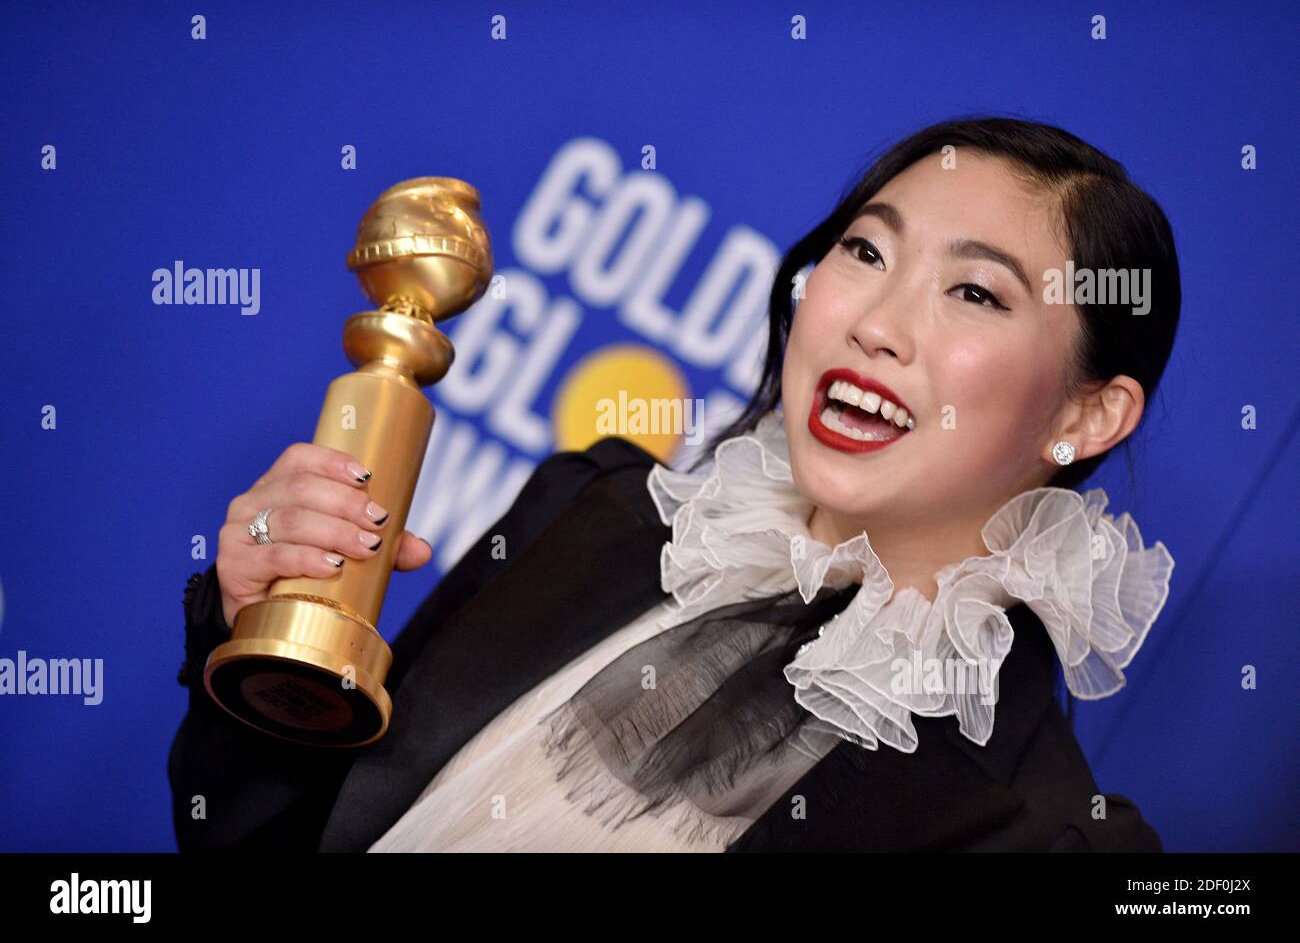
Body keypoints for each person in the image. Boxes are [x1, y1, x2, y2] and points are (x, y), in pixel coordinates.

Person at [169, 115, 1179, 852]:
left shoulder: (1036, 836)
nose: (877, 321)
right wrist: (256, 638)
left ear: (1085, 415)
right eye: (865, 250)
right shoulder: (591, 509)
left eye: (973, 292)